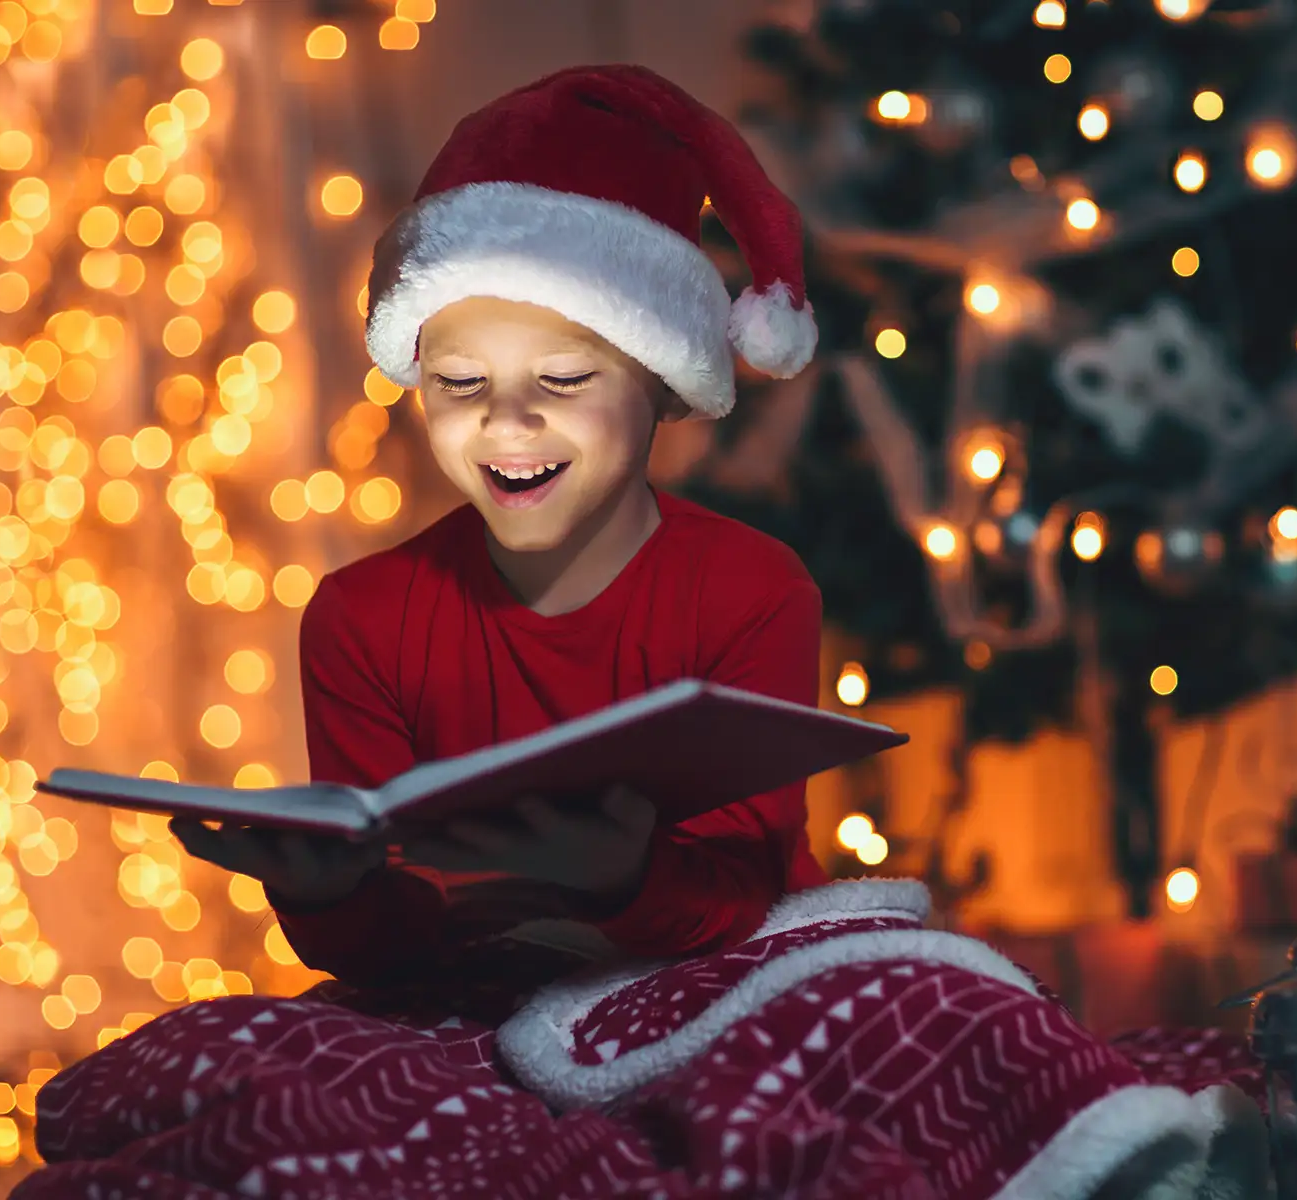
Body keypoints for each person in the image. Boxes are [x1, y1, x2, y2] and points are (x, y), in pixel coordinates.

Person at [171, 64, 825, 991]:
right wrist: (326, 895)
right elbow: (385, 956)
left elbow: (745, 905)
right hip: (467, 1001)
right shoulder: (362, 616)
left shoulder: (753, 590)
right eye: (460, 384)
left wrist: (620, 881)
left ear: (662, 388)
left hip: (724, 989)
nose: (506, 424)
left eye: (562, 381)